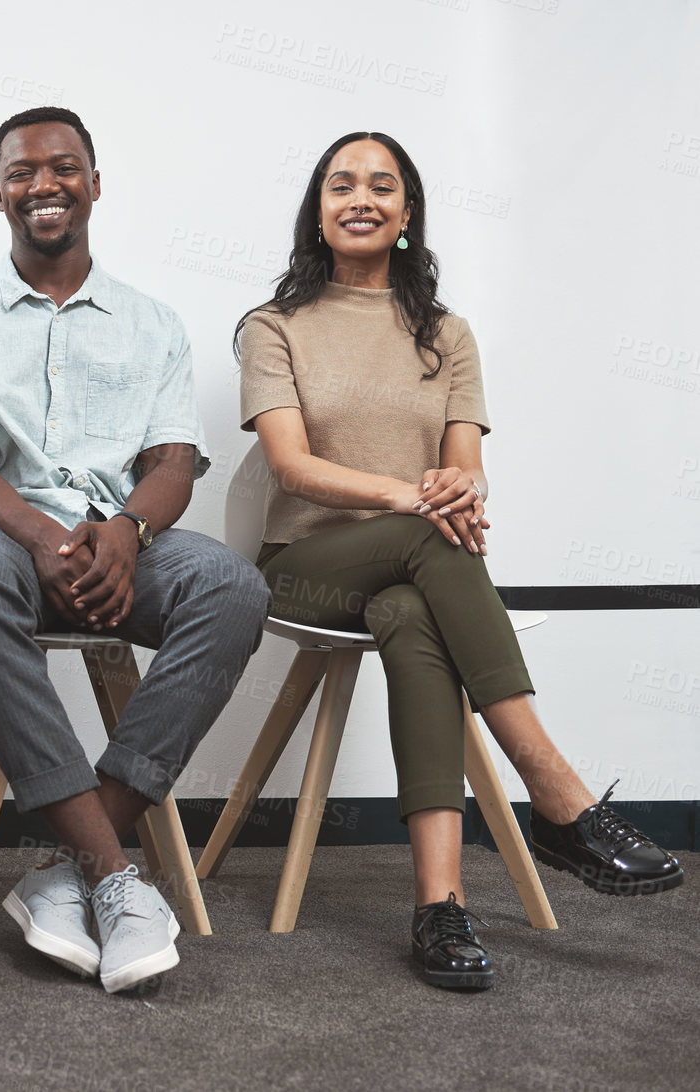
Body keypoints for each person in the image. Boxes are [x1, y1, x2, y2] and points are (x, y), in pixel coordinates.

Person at [237, 131, 684, 991]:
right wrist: (416, 497)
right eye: (340, 185)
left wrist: (455, 485)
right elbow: (292, 468)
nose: (359, 198)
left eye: (381, 185)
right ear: (317, 210)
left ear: (407, 214)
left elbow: (465, 468)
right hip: (300, 568)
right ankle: (555, 790)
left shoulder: (446, 333)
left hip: (411, 568)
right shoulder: (272, 327)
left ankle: (438, 908)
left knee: (412, 615)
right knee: (421, 534)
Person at [0, 107, 271, 994]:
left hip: (123, 541)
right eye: (22, 173)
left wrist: (126, 533)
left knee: (230, 588)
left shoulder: (152, 322)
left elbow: (174, 460)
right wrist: (39, 534)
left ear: (94, 184)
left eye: (62, 168)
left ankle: (68, 868)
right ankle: (114, 874)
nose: (43, 185)